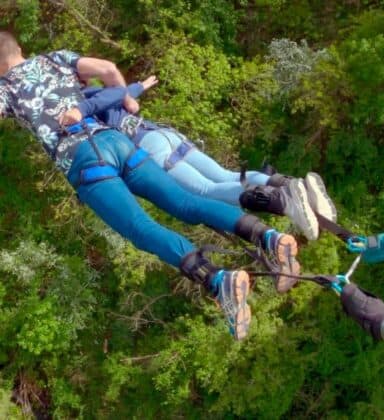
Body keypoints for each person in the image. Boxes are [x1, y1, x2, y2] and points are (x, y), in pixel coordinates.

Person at [0, 32, 299, 340]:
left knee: (141, 229)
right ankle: (269, 237)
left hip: (84, 161)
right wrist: (127, 97)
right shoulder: (55, 58)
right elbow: (106, 68)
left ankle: (217, 280)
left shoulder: (6, 88)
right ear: (19, 48)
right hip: (117, 141)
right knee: (186, 203)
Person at [64, 76, 337, 241]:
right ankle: (289, 184)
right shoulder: (101, 92)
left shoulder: (81, 103)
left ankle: (286, 201)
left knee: (207, 191)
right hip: (162, 134)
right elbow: (121, 94)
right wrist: (138, 86)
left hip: (148, 146)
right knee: (226, 176)